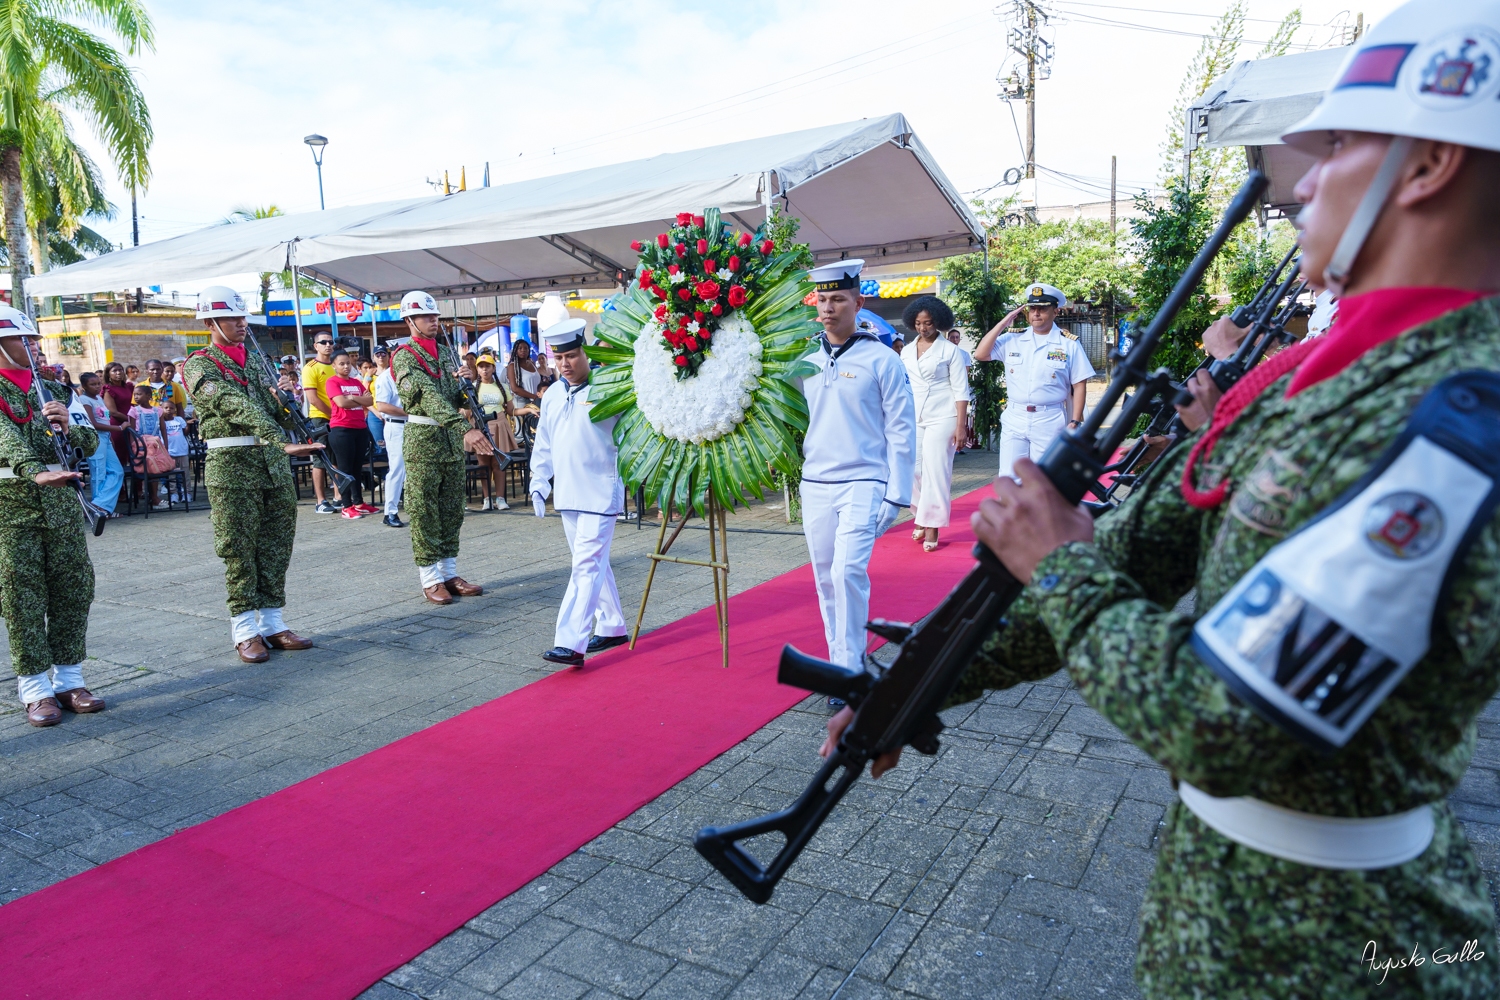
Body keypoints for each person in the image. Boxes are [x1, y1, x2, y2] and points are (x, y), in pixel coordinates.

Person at [832, 3, 1500, 994]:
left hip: (1349, 939)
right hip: (1231, 899)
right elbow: (1137, 551)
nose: (1306, 180)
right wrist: (919, 683)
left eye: (1341, 145)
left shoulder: (1454, 421)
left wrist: (1053, 560)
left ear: (1427, 167)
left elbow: (1223, 724)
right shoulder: (1320, 376)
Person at [184, 286, 320, 663]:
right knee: (239, 549)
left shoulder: (256, 361)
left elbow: (271, 410)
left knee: (276, 545)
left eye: (243, 318)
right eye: (231, 318)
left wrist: (285, 403)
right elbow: (233, 404)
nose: (240, 324)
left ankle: (273, 623)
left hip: (272, 464)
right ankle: (245, 629)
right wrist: (278, 437)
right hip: (233, 466)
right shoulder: (199, 364)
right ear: (211, 322)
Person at [799, 259, 915, 687]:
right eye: (822, 299)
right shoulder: (803, 359)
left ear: (858, 302)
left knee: (848, 572)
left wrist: (897, 493)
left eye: (838, 299)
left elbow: (901, 429)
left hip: (864, 480)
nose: (829, 308)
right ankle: (840, 662)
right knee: (825, 577)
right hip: (815, 482)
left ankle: (851, 671)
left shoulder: (882, 359)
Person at [0, 306, 106, 726]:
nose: (33, 347)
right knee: (22, 595)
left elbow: (89, 442)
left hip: (61, 504)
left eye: (34, 339)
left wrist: (68, 425)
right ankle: (35, 688)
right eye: (21, 339)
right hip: (11, 505)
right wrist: (36, 469)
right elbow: (5, 438)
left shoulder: (53, 390)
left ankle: (69, 679)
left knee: (73, 587)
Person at [528, 319, 628, 666]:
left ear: (586, 353)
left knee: (585, 565)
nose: (565, 364)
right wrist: (539, 481)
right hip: (568, 494)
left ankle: (570, 642)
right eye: (559, 358)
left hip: (601, 490)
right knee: (591, 562)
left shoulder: (610, 387)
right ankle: (613, 625)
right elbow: (544, 443)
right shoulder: (554, 393)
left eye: (571, 355)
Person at [391, 291, 493, 603]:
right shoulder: (404, 355)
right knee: (424, 509)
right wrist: (465, 428)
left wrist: (465, 385)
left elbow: (451, 395)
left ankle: (448, 571)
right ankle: (430, 576)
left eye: (435, 316)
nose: (433, 321)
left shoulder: (444, 352)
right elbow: (427, 397)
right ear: (410, 320)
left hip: (449, 440)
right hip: (424, 438)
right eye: (426, 316)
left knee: (451, 508)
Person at [973, 283, 1095, 478]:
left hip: (1049, 418)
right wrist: (1003, 324)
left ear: (1055, 311)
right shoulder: (1013, 338)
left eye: (1042, 308)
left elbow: (1079, 384)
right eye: (1032, 309)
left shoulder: (1068, 343)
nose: (1036, 313)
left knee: (1045, 477)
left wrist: (1074, 421)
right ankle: (1015, 510)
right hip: (1015, 415)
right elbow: (980, 354)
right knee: (1009, 476)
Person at [900, 296, 969, 552]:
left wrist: (961, 426)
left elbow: (962, 391)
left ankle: (932, 526)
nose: (922, 328)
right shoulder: (906, 351)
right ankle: (920, 514)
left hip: (944, 416)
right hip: (914, 416)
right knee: (912, 470)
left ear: (938, 323)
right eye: (918, 323)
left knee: (935, 471)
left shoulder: (950, 351)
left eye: (928, 323)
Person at [324, 349, 378, 519]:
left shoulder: (356, 382)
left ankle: (359, 503)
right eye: (341, 364)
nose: (346, 366)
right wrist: (356, 398)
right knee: (345, 469)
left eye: (348, 363)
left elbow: (370, 400)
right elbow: (341, 402)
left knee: (356, 468)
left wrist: (352, 397)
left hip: (360, 428)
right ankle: (346, 505)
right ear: (334, 366)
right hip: (342, 429)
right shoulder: (332, 382)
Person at [71, 371, 124, 516]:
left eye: (98, 383)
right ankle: (99, 510)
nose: (97, 387)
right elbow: (92, 424)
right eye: (92, 384)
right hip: (94, 438)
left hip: (106, 437)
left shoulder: (99, 399)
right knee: (99, 472)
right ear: (84, 386)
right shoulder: (84, 400)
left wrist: (111, 435)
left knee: (117, 471)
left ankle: (100, 505)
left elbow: (104, 419)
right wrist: (118, 428)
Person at [300, 331, 342, 513]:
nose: (328, 345)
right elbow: (313, 398)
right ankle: (320, 500)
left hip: (339, 418)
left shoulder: (337, 366)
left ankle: (339, 496)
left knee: (337, 458)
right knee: (319, 459)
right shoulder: (310, 368)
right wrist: (334, 414)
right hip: (320, 417)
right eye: (323, 342)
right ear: (315, 346)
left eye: (330, 342)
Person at [469, 352, 516, 511]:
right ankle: (487, 498)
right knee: (484, 463)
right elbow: (466, 410)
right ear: (477, 369)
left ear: (493, 368)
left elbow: (511, 410)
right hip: (482, 426)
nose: (484, 370)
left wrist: (528, 410)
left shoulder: (502, 387)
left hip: (500, 424)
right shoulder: (472, 388)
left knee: (499, 463)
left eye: (487, 366)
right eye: (481, 367)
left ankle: (500, 498)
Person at [372, 345, 407, 528]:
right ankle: (390, 512)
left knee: (414, 468)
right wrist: (408, 412)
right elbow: (382, 406)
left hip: (412, 425)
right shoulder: (386, 377)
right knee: (397, 469)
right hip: (396, 426)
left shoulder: (409, 374)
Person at [101, 361, 134, 472]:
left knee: (135, 456)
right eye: (114, 371)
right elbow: (113, 412)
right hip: (118, 426)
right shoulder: (108, 389)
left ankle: (138, 488)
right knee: (120, 458)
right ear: (108, 374)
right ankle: (121, 489)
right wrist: (131, 420)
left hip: (132, 424)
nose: (118, 372)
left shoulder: (128, 387)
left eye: (120, 370)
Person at [946, 328, 974, 452]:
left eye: (957, 337)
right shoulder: (945, 352)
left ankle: (960, 441)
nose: (955, 339)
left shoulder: (964, 354)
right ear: (948, 338)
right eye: (952, 337)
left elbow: (965, 373)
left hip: (959, 388)